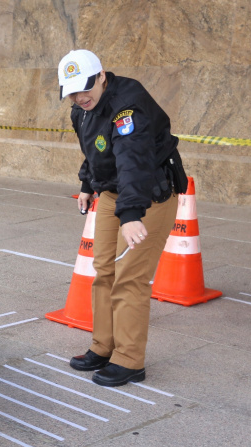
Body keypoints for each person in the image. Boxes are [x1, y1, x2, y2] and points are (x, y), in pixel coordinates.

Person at [59, 49, 186, 387]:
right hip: (115, 192)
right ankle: (104, 346)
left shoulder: (128, 107)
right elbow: (95, 150)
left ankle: (130, 360)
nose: (79, 97)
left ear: (101, 76)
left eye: (85, 87)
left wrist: (131, 215)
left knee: (129, 278)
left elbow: (132, 159)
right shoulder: (81, 110)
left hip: (149, 194)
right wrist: (87, 183)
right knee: (104, 271)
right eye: (72, 91)